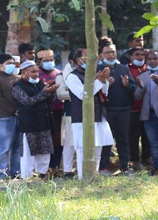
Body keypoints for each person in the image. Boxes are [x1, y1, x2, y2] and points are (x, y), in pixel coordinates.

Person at [65, 48, 114, 179]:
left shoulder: (94, 73)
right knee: (83, 151)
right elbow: (84, 95)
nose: (92, 61)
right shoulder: (72, 76)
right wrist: (99, 81)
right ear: (78, 60)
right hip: (82, 118)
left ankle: (94, 176)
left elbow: (104, 93)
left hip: (99, 115)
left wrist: (104, 81)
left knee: (98, 149)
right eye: (87, 59)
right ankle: (83, 178)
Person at [12, 61, 59, 179]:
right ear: (24, 72)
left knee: (45, 150)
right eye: (33, 71)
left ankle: (43, 174)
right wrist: (45, 92)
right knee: (28, 153)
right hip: (29, 124)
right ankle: (26, 177)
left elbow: (48, 101)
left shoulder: (40, 84)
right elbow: (28, 102)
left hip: (44, 122)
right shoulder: (17, 87)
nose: (36, 74)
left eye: (37, 71)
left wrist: (51, 92)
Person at [98, 40, 137, 175]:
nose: (110, 55)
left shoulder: (123, 68)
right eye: (107, 52)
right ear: (101, 55)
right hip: (106, 109)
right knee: (106, 140)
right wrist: (104, 83)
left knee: (123, 138)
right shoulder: (98, 70)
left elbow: (133, 87)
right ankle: (104, 166)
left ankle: (125, 166)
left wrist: (127, 85)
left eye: (112, 52)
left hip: (123, 109)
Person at [134, 50, 158, 175]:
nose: (152, 61)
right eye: (150, 59)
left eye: (155, 59)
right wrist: (140, 87)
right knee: (154, 144)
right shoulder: (143, 76)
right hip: (149, 115)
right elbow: (138, 96)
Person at [0, 54, 21, 179]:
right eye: (9, 63)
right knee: (4, 147)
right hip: (3, 117)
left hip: (18, 116)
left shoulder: (17, 78)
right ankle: (3, 174)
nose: (12, 65)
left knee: (17, 147)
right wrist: (14, 110)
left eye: (13, 63)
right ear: (0, 65)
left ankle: (16, 173)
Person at [37, 50, 65, 177]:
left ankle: (56, 166)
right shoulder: (36, 76)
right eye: (46, 61)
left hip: (59, 112)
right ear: (39, 62)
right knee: (46, 141)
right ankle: (43, 169)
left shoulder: (60, 74)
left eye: (51, 60)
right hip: (43, 113)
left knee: (58, 141)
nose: (50, 63)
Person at [127, 47, 152, 170]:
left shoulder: (148, 69)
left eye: (143, 54)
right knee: (133, 136)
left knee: (147, 134)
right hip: (133, 108)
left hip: (147, 107)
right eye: (137, 55)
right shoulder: (127, 70)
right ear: (131, 57)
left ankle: (147, 157)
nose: (141, 57)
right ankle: (134, 160)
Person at [56, 50, 77, 179]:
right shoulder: (62, 76)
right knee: (69, 144)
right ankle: (68, 171)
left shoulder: (88, 74)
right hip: (69, 114)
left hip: (87, 114)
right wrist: (79, 92)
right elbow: (60, 95)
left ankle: (83, 169)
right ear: (72, 61)